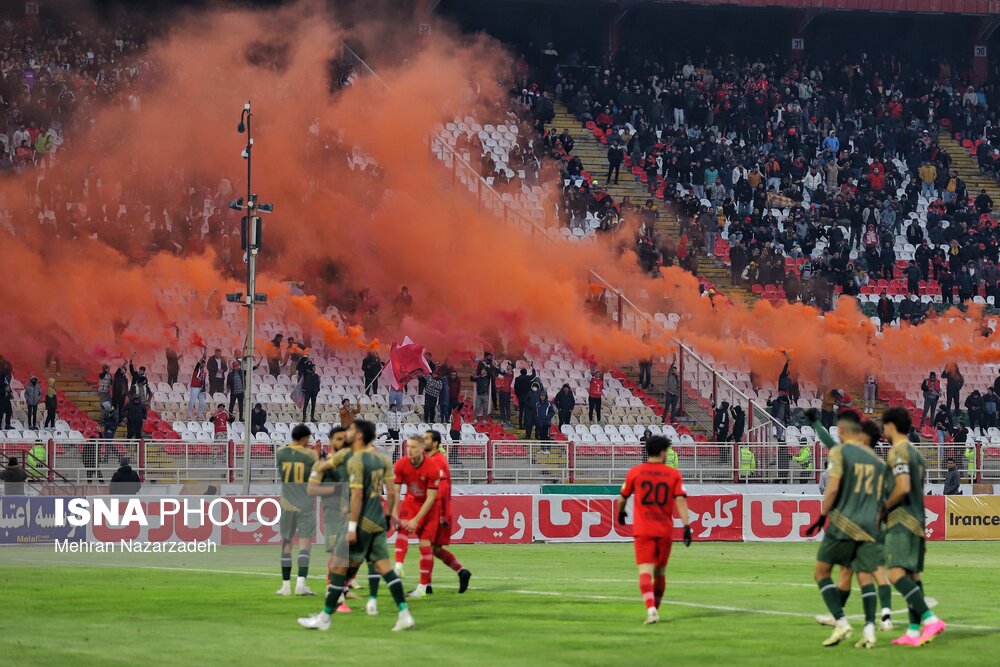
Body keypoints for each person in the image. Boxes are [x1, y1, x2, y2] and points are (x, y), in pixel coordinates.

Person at [298, 420, 415, 632]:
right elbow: (392, 491)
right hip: (378, 521)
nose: (347, 432)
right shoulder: (382, 458)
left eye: (351, 430)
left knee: (338, 567)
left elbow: (357, 494)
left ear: (360, 435)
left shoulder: (357, 460)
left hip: (360, 521)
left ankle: (324, 618)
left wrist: (352, 528)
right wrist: (390, 517)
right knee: (384, 568)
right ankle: (404, 613)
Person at [804, 411, 887, 648]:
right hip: (870, 525)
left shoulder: (843, 453)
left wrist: (821, 517)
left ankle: (841, 621)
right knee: (860, 575)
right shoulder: (879, 464)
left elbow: (832, 488)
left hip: (844, 523)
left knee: (822, 572)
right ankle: (869, 629)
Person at [881, 407, 946, 646]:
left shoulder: (898, 451)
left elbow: (903, 486)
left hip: (901, 520)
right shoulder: (917, 453)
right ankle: (913, 631)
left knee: (895, 573)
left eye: (883, 424)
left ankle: (930, 619)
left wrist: (883, 509)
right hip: (918, 519)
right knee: (912, 575)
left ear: (890, 426)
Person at [617, 436, 692, 624]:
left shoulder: (635, 472)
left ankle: (650, 609)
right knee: (659, 572)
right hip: (664, 529)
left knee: (644, 571)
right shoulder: (673, 474)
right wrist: (686, 525)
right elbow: (680, 500)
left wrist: (621, 513)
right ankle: (655, 609)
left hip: (643, 529)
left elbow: (622, 497)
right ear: (663, 452)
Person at [307, 426, 355, 615]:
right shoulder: (323, 463)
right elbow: (311, 489)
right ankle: (333, 594)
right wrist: (336, 490)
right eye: (338, 438)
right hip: (333, 513)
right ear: (331, 441)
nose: (342, 442)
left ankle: (341, 589)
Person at [392, 437, 443, 598]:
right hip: (411, 501)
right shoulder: (401, 464)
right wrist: (393, 514)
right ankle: (398, 567)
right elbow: (395, 491)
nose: (409, 450)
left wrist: (416, 519)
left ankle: (423, 586)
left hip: (430, 506)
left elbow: (431, 497)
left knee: (425, 544)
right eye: (408, 447)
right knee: (402, 529)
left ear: (422, 448)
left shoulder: (432, 467)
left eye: (413, 447)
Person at [422, 429, 472, 593]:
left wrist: (442, 514)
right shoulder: (430, 459)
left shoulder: (438, 461)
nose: (424, 441)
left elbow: (442, 488)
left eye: (427, 439)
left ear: (435, 443)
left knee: (426, 545)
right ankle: (461, 571)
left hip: (438, 510)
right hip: (436, 509)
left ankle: (425, 586)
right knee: (435, 548)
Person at [276, 424, 319, 598]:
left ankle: (285, 586)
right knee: (304, 544)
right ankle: (301, 584)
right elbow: (317, 475)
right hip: (305, 503)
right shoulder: (310, 455)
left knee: (286, 543)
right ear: (303, 439)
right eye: (308, 439)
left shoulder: (280, 453)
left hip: (287, 502)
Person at [188, 354, 208, 418]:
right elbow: (198, 363)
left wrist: (204, 390)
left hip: (201, 388)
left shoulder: (204, 372)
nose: (203, 365)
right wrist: (202, 357)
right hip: (195, 387)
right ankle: (189, 414)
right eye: (202, 363)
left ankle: (199, 414)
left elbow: (203, 381)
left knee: (202, 403)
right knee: (192, 401)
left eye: (204, 364)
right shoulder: (197, 370)